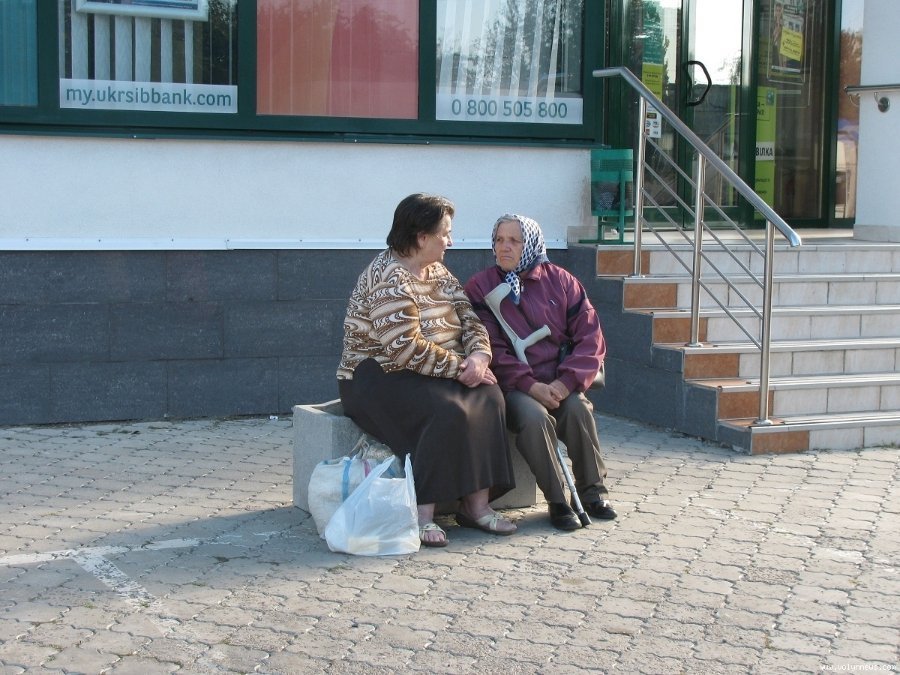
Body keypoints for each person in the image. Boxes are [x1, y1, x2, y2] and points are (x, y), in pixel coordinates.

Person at [337, 193, 517, 548]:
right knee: (444, 409)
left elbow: (469, 318)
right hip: (378, 375)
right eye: (445, 234)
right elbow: (404, 348)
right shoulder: (388, 277)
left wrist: (479, 356)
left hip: (437, 368)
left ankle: (476, 506)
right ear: (421, 237)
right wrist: (461, 368)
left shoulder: (437, 271)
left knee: (490, 396)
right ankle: (422, 512)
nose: (450, 241)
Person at [464, 214, 617, 531]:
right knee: (534, 419)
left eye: (514, 241)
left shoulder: (561, 281)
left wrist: (564, 383)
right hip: (515, 386)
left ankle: (592, 493)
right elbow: (491, 348)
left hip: (560, 379)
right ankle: (558, 501)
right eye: (499, 240)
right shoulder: (480, 287)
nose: (504, 247)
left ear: (531, 244)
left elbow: (591, 338)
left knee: (577, 410)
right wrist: (530, 385)